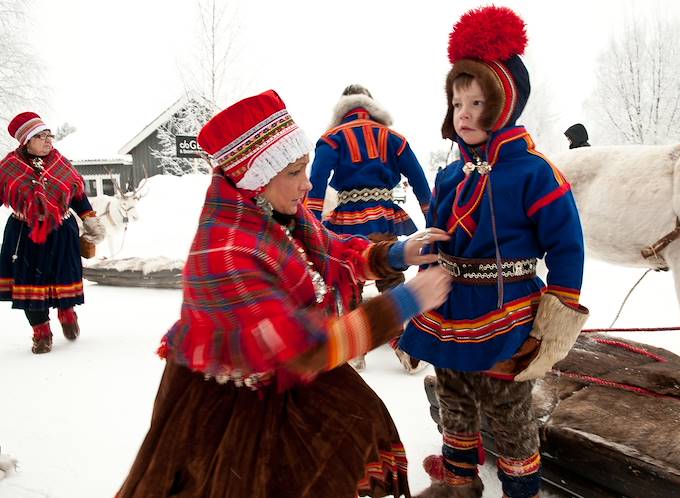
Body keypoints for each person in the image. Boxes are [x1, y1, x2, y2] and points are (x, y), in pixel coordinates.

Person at [117, 90, 452, 498]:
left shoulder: (277, 213)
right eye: (295, 172)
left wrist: (399, 251)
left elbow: (336, 251)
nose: (308, 184)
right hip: (232, 405)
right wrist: (406, 301)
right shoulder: (227, 253)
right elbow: (304, 349)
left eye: (305, 168)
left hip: (286, 371)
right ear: (257, 176)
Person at [398, 7, 589, 498]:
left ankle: (519, 490)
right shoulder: (449, 174)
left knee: (507, 413)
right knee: (455, 400)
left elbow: (567, 245)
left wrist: (554, 321)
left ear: (503, 105)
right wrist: (426, 258)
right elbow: (438, 232)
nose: (463, 113)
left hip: (508, 313)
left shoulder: (535, 173)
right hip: (450, 308)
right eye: (457, 101)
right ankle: (459, 483)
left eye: (477, 102)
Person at [305, 84, 433, 372]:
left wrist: (310, 223)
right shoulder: (393, 137)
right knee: (389, 273)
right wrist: (432, 217)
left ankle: (354, 350)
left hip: (347, 219)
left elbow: (317, 180)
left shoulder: (332, 138)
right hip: (384, 216)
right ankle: (404, 346)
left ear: (342, 107)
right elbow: (418, 178)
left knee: (350, 275)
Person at [0, 112, 105, 354]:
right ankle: (41, 332)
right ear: (26, 140)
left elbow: (78, 195)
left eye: (50, 135)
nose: (48, 141)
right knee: (29, 284)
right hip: (24, 236)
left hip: (61, 232)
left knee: (63, 277)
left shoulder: (61, 164)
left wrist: (90, 219)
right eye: (41, 136)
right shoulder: (9, 168)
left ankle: (67, 312)